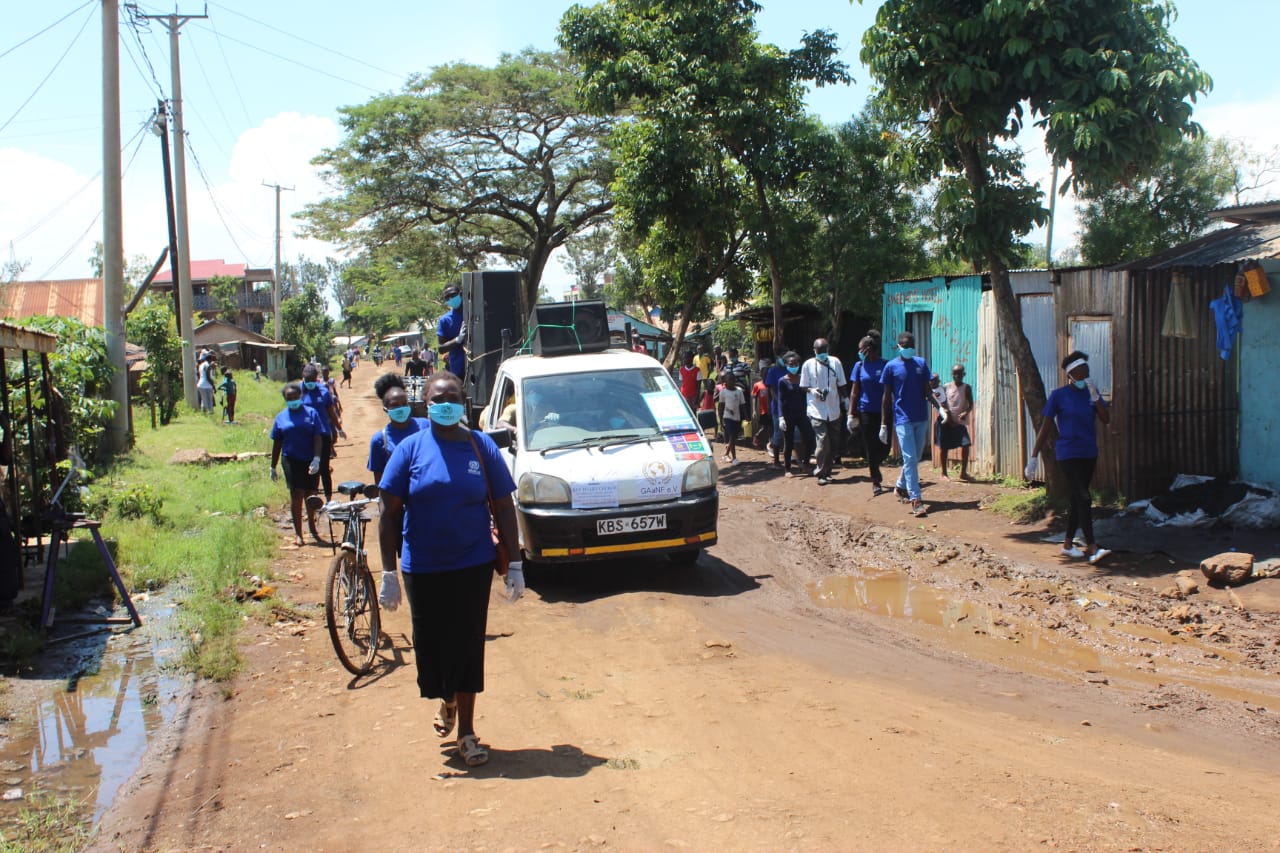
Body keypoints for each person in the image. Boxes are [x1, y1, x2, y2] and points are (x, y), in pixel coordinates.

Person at [378, 371, 521, 768]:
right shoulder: (409, 450)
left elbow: (505, 506)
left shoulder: (481, 447)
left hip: (471, 564)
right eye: (438, 398)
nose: (446, 403)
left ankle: (468, 733)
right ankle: (447, 698)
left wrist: (517, 564)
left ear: (464, 402)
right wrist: (388, 573)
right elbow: (387, 514)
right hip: (422, 566)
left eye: (453, 397)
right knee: (432, 648)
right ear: (425, 401)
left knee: (468, 644)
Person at [1031, 351, 1112, 564]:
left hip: (1088, 452)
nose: (1087, 375)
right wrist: (1033, 455)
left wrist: (1096, 398)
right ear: (1072, 374)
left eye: (1088, 371)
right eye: (1082, 372)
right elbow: (1046, 426)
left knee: (1078, 499)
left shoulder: (1091, 393)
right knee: (1085, 497)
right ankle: (1093, 547)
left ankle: (1067, 544)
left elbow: (1106, 419)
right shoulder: (1059, 395)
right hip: (1068, 453)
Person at [880, 332, 939, 517]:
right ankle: (916, 499)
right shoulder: (891, 367)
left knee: (916, 456)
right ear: (899, 346)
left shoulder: (921, 364)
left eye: (911, 345)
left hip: (921, 416)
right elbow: (886, 396)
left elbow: (927, 391)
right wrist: (884, 424)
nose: (908, 349)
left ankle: (899, 486)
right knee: (910, 458)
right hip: (902, 418)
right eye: (905, 346)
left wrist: (940, 408)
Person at [270, 383, 324, 547]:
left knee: (311, 494)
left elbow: (317, 437)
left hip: (310, 460)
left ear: (300, 396)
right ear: (285, 399)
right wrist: (272, 466)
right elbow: (277, 443)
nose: (293, 400)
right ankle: (299, 534)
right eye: (289, 398)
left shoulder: (311, 413)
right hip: (291, 460)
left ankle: (313, 529)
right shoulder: (281, 418)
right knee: (296, 495)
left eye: (295, 397)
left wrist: (317, 458)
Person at [799, 338, 847, 486]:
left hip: (833, 409)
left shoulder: (835, 363)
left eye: (823, 352)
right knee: (823, 441)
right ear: (814, 351)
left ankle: (827, 471)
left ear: (828, 350)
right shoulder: (808, 365)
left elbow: (842, 384)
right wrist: (813, 391)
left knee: (833, 443)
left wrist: (846, 401)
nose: (821, 354)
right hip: (816, 409)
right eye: (818, 352)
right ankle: (820, 472)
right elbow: (803, 386)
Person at [848, 335, 890, 496]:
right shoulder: (859, 366)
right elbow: (855, 391)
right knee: (870, 446)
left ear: (870, 349)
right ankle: (876, 479)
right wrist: (851, 413)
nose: (859, 352)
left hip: (885, 412)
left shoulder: (885, 365)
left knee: (885, 447)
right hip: (866, 411)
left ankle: (876, 464)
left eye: (861, 349)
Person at [300, 363, 344, 507]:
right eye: (307, 381)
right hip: (306, 436)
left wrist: (338, 428)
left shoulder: (323, 392)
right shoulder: (299, 391)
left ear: (316, 379)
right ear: (303, 379)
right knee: (309, 468)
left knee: (324, 468)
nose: (310, 383)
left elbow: (331, 413)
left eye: (312, 380)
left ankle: (328, 498)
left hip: (323, 434)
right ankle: (312, 499)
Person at [776, 352, 815, 478]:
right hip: (788, 416)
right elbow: (780, 400)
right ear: (786, 365)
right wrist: (781, 417)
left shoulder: (803, 378)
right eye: (791, 364)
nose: (794, 366)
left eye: (796, 364)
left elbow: (807, 393)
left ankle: (805, 463)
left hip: (802, 414)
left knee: (809, 437)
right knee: (788, 442)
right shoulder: (782, 381)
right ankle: (787, 468)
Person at [940, 364, 974, 480]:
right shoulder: (946, 387)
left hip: (959, 422)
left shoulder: (967, 388)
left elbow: (971, 405)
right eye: (955, 373)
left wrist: (965, 413)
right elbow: (942, 404)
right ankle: (944, 473)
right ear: (952, 374)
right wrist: (949, 418)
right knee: (944, 447)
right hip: (947, 421)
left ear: (964, 374)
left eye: (959, 373)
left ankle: (963, 473)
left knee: (966, 444)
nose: (957, 376)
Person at [437, 284, 468, 380]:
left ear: (461, 294)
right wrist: (457, 340)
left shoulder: (474, 313)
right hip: (458, 370)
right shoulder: (445, 320)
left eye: (453, 295)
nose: (451, 299)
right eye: (447, 298)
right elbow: (441, 348)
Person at [764, 348, 788, 465]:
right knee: (778, 433)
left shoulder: (789, 368)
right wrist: (779, 402)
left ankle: (788, 458)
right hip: (777, 407)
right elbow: (772, 390)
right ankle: (776, 460)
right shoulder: (773, 371)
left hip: (790, 406)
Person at [717, 372, 746, 465]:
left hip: (737, 417)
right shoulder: (723, 392)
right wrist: (721, 419)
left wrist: (746, 415)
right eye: (730, 380)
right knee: (732, 436)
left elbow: (742, 405)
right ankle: (734, 458)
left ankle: (726, 454)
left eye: (733, 379)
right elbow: (721, 407)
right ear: (725, 382)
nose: (732, 382)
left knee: (733, 437)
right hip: (727, 417)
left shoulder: (739, 391)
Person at [750, 364, 771, 450]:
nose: (765, 376)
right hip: (764, 410)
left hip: (772, 410)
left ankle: (771, 443)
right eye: (764, 374)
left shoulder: (771, 384)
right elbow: (754, 397)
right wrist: (754, 410)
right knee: (765, 427)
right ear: (761, 375)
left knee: (772, 427)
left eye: (767, 374)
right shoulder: (757, 385)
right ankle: (756, 436)